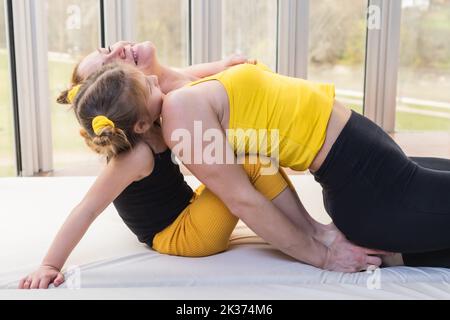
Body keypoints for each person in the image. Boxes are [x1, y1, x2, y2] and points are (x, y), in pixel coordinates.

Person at [19, 43, 379, 290]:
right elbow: (87, 208)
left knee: (250, 160)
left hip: (187, 214)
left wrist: (227, 66)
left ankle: (315, 232)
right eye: (147, 83)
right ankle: (317, 238)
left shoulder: (144, 114)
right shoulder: (136, 155)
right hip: (181, 237)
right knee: (251, 165)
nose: (154, 78)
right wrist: (50, 265)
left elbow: (191, 74)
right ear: (140, 124)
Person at [157, 59, 450, 269]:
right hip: (374, 190)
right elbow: (243, 201)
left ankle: (399, 252)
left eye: (109, 45)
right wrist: (323, 255)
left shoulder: (186, 84)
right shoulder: (179, 110)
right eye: (110, 59)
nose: (116, 49)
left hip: (382, 170)